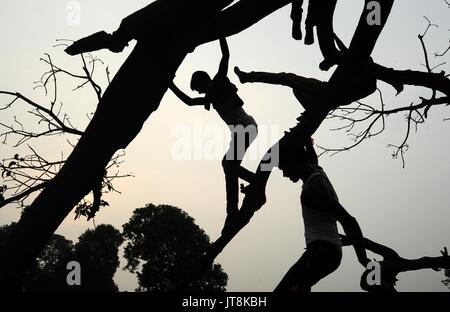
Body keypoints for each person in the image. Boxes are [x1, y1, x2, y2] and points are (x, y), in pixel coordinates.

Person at [169, 38, 258, 234]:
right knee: (229, 166)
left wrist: (222, 34)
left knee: (229, 165)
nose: (200, 92)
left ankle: (234, 210)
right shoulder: (210, 94)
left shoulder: (217, 82)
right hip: (242, 130)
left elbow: (225, 56)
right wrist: (169, 83)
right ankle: (246, 191)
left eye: (199, 88)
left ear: (202, 82)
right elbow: (190, 101)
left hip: (246, 127)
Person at [274, 134, 369, 292]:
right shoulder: (316, 171)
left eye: (284, 168)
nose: (284, 174)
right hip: (325, 252)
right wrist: (307, 140)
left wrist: (364, 260)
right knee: (300, 286)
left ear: (293, 161)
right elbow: (311, 159)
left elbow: (349, 221)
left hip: (323, 252)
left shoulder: (314, 190)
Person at [65, 0, 234, 55]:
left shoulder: (134, 28)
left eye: (122, 46)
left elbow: (165, 30)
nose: (125, 47)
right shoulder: (131, 27)